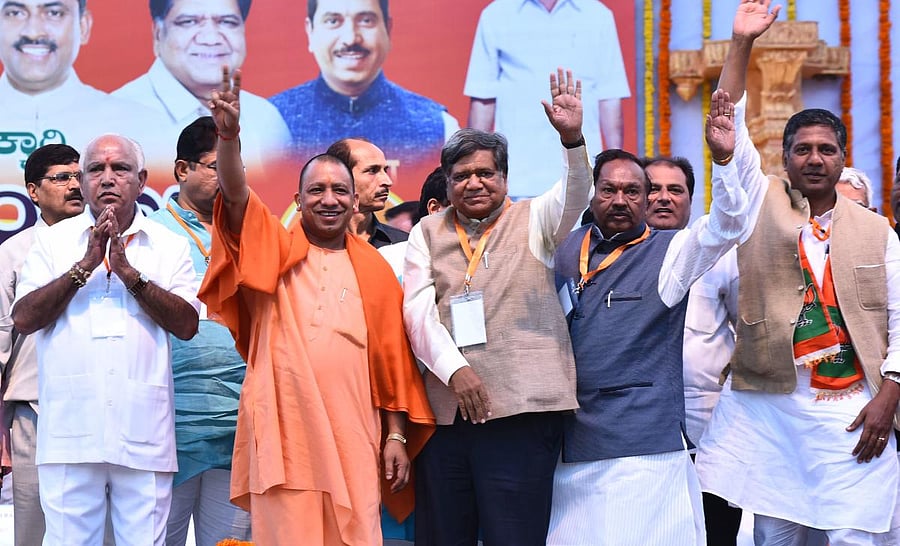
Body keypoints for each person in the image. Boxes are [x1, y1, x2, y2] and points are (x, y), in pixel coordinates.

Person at [198, 68, 434, 545]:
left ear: (355, 205)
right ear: (298, 200)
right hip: (284, 435)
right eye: (317, 191)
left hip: (355, 436)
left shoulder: (375, 270)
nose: (328, 200)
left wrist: (395, 435)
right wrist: (228, 137)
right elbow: (237, 194)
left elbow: (391, 366)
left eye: (340, 192)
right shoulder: (274, 250)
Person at [695, 2, 900, 543]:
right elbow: (729, 126)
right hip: (772, 410)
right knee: (774, 538)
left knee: (854, 535)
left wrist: (890, 395)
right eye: (802, 149)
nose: (814, 159)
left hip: (852, 411)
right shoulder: (758, 202)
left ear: (842, 158)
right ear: (783, 159)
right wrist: (741, 43)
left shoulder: (879, 232)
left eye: (826, 150)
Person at [548, 90, 749, 544]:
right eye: (610, 189)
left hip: (644, 449)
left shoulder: (670, 253)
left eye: (632, 191)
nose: (620, 200)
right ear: (594, 194)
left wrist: (725, 161)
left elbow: (729, 224)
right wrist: (572, 140)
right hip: (572, 443)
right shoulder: (565, 247)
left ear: (645, 199)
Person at [402, 69, 589, 546]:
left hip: (522, 417)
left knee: (515, 537)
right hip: (448, 419)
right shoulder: (427, 232)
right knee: (445, 536)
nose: (474, 183)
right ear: (446, 183)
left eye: (486, 173)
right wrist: (454, 371)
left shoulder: (535, 219)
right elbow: (418, 313)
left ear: (504, 177)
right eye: (461, 175)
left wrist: (572, 140)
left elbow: (576, 196)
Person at [10, 134, 200, 544]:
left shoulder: (168, 246)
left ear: (142, 179)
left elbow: (187, 325)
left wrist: (130, 274)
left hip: (144, 432)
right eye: (96, 169)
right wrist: (85, 266)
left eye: (120, 169)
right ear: (82, 179)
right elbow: (24, 318)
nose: (108, 178)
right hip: (69, 434)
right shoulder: (53, 242)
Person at [148, 117, 251, 546]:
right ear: (181, 170)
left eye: (233, 164)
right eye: (214, 164)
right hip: (167, 425)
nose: (227, 174)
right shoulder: (150, 236)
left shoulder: (250, 232)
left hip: (240, 422)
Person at [644, 154, 743, 546]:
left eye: (675, 190)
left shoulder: (720, 253)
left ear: (690, 199)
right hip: (644, 422)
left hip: (712, 417)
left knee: (715, 528)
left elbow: (747, 324)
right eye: (653, 188)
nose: (663, 198)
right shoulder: (614, 257)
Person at [270, 0, 460, 197]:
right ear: (310, 31)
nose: (351, 38)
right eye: (333, 21)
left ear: (387, 28)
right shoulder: (270, 122)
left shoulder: (438, 127)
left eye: (366, 20)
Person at [0, 0, 169, 209]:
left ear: (84, 25)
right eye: (15, 13)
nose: (34, 32)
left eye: (54, 13)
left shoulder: (146, 122)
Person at [0, 144, 86, 546]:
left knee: (96, 528)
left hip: (96, 408)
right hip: (34, 411)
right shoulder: (13, 253)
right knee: (33, 530)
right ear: (33, 191)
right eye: (61, 178)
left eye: (78, 177)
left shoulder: (106, 246)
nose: (74, 186)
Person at [465, 0, 630, 196]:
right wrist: (473, 169)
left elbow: (609, 98)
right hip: (517, 178)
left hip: (583, 179)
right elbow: (483, 100)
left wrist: (614, 174)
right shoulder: (496, 14)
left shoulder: (598, 15)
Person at [113, 0, 291, 174]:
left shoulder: (266, 118)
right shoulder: (117, 117)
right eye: (189, 22)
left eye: (227, 22)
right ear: (158, 33)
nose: (210, 39)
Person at [326, 137, 408, 248]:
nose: (387, 181)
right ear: (339, 176)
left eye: (385, 170)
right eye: (372, 171)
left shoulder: (403, 245)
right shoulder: (305, 246)